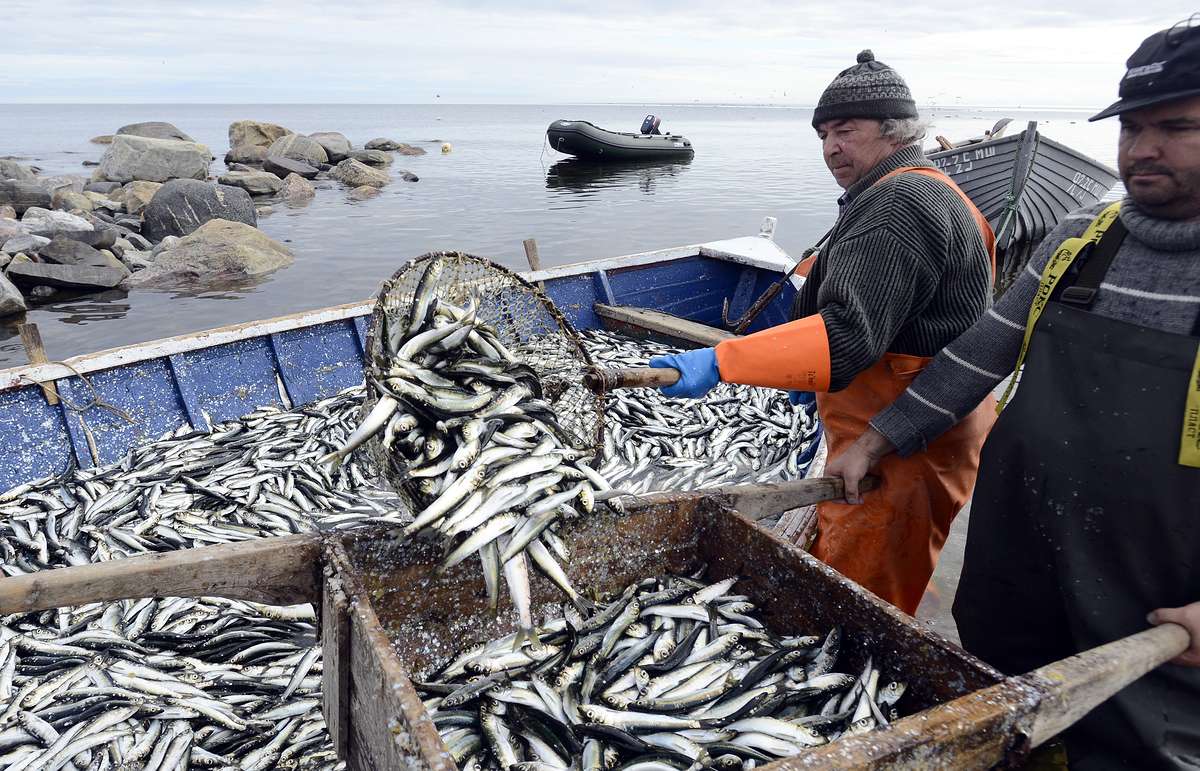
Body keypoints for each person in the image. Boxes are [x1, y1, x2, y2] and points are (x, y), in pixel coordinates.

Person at [826, 16, 1200, 768]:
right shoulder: (1083, 237)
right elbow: (977, 355)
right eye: (1132, 127)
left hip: (1162, 584)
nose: (1142, 148)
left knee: (1136, 742)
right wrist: (879, 435)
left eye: (1177, 126)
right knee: (1006, 698)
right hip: (1022, 545)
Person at [648, 50, 996, 615]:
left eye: (846, 130)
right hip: (925, 424)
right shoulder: (933, 188)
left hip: (900, 440)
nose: (831, 147)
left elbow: (847, 339)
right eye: (823, 134)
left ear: (894, 130)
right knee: (885, 564)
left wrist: (723, 362)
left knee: (855, 606)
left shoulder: (900, 202)